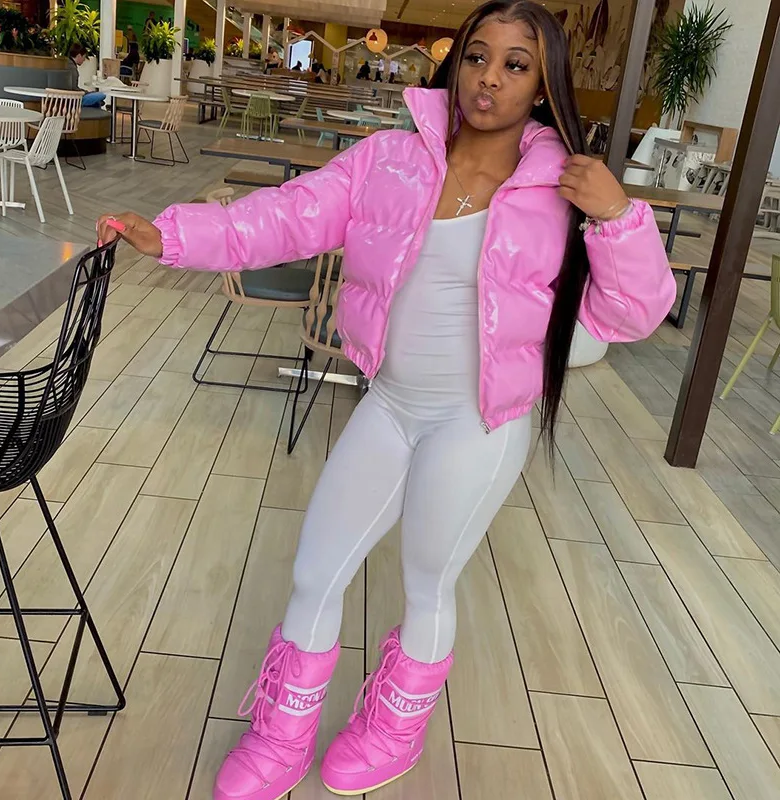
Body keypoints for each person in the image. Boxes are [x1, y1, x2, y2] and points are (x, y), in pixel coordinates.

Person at [97, 2, 675, 799]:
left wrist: (617, 216)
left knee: (428, 580)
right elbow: (285, 217)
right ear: (456, 63)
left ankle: (393, 732)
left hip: (478, 423)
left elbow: (631, 316)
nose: (489, 79)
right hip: (391, 404)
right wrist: (173, 234)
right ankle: (281, 734)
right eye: (477, 56)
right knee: (315, 569)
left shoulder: (566, 190)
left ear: (544, 87)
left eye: (515, 65)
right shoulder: (390, 161)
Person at [66, 43, 105, 107]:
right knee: (101, 95)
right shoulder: (72, 69)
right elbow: (74, 89)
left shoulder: (66, 63)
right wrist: (86, 93)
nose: (84, 60)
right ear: (79, 56)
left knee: (97, 101)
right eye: (84, 57)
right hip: (73, 99)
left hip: (68, 97)